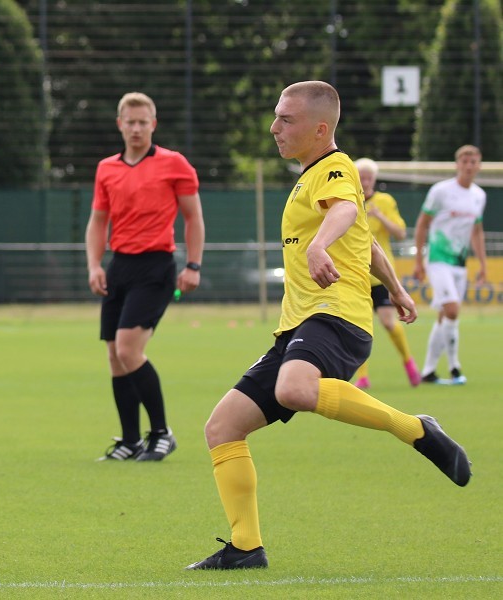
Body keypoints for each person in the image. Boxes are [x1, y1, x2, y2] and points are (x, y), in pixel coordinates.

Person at [186, 81, 471, 571]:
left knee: (296, 388)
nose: (274, 127)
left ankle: (416, 429)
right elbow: (366, 239)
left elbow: (343, 211)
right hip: (299, 325)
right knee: (222, 427)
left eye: (286, 120)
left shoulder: (335, 168)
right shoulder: (311, 176)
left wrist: (319, 246)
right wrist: (398, 289)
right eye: (276, 117)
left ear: (320, 129)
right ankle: (246, 548)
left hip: (334, 315)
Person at [85, 92, 205, 462]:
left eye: (143, 122)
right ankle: (130, 440)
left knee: (128, 349)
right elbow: (98, 221)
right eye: (130, 122)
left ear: (153, 125)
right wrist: (94, 264)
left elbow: (193, 218)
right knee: (114, 355)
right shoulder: (107, 168)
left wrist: (193, 265)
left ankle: (161, 433)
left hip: (156, 266)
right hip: (119, 266)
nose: (136, 128)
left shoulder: (175, 164)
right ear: (120, 124)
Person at [413, 145, 487, 385]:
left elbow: (477, 231)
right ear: (457, 164)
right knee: (453, 310)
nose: (468, 165)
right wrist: (418, 261)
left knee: (445, 315)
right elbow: (422, 223)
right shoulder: (441, 191)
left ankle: (428, 371)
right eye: (464, 161)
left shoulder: (479, 195)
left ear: (479, 165)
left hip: (459, 262)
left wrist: (483, 264)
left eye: (473, 161)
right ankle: (455, 367)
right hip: (437, 258)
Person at [351, 158, 421, 389]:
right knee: (358, 326)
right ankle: (362, 376)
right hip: (355, 274)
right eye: (362, 176)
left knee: (389, 323)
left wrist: (380, 217)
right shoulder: (348, 200)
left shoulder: (384, 201)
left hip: (380, 274)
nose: (366, 181)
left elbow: (400, 232)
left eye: (369, 177)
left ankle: (409, 363)